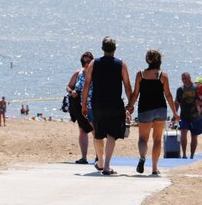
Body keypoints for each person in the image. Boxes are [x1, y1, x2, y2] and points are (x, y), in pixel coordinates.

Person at [81, 36, 132, 175]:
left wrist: (84, 104)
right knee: (111, 134)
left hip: (97, 103)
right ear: (115, 49)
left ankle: (101, 162)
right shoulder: (121, 64)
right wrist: (131, 103)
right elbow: (127, 86)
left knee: (98, 134)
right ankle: (107, 165)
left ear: (102, 48)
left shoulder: (93, 63)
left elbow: (86, 85)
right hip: (115, 103)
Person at [127, 49, 178, 175]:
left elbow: (135, 93)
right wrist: (175, 112)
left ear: (147, 60)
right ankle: (154, 168)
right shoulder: (163, 75)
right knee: (157, 139)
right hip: (160, 109)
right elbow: (168, 95)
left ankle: (143, 157)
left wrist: (129, 106)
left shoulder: (140, 74)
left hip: (145, 109)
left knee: (143, 139)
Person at [66, 51, 94, 164]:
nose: (86, 63)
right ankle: (84, 157)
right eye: (84, 61)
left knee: (95, 130)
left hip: (93, 105)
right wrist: (72, 92)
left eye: (88, 61)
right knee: (82, 130)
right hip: (80, 106)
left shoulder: (96, 73)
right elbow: (68, 86)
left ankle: (99, 157)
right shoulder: (78, 73)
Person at [174, 72, 202, 158]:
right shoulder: (180, 90)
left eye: (185, 78)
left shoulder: (196, 88)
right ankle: (184, 154)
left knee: (194, 136)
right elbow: (177, 102)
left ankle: (192, 155)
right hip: (184, 115)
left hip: (195, 116)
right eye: (182, 79)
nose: (184, 80)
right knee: (183, 133)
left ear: (190, 78)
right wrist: (175, 113)